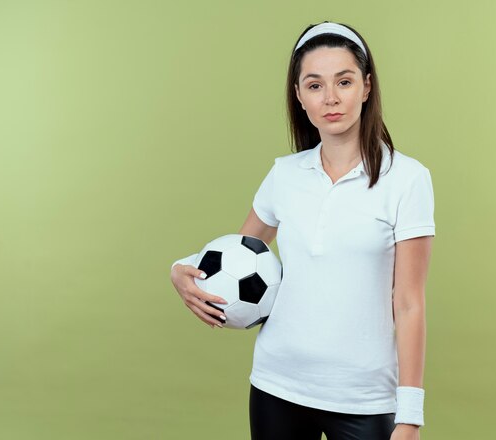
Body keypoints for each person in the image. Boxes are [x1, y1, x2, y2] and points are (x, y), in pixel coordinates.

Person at [170, 21, 435, 440]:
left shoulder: (407, 179)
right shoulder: (285, 174)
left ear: (366, 87)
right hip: (277, 385)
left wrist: (410, 415)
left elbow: (409, 303)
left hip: (364, 398)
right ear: (299, 96)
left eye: (343, 82)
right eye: (314, 85)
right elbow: (239, 251)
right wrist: (180, 268)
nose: (330, 98)